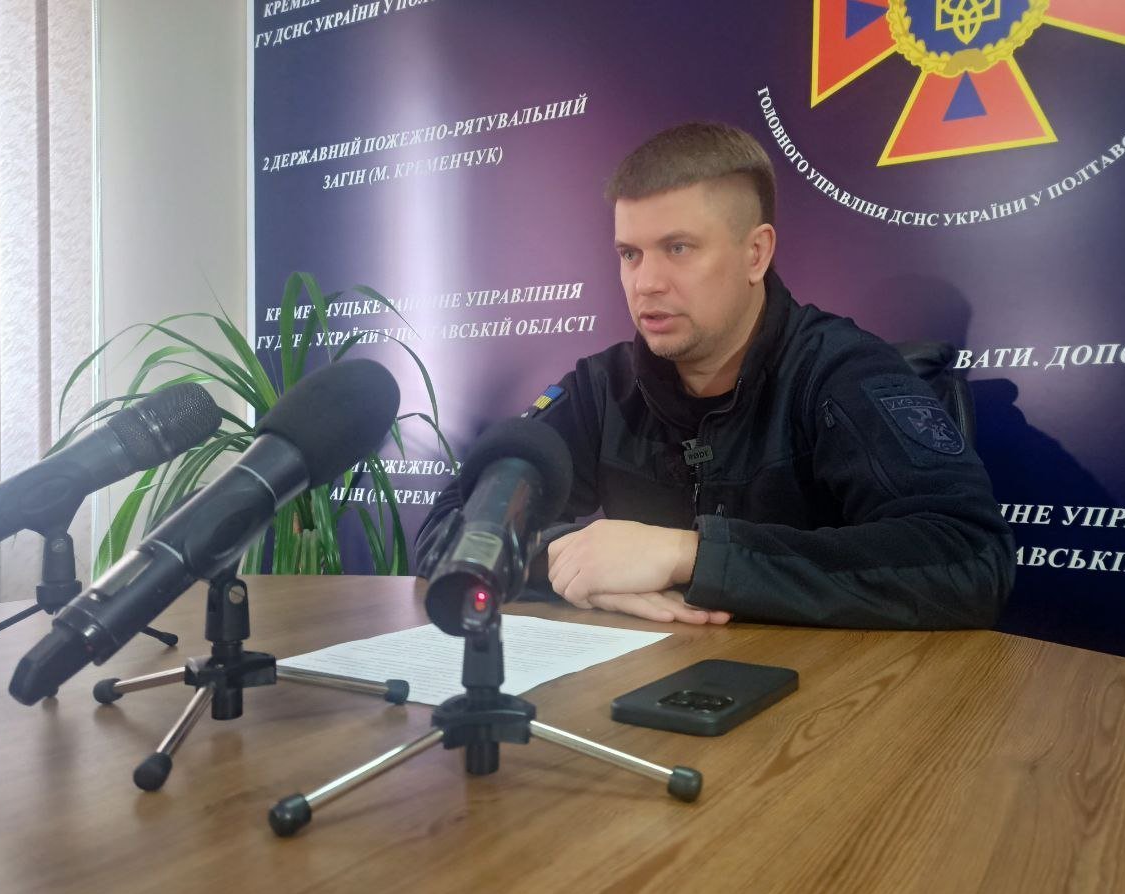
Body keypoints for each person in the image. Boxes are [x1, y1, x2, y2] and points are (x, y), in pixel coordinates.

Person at [416, 121, 1014, 628]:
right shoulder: (603, 387)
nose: (646, 282)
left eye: (678, 248)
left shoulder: (839, 371)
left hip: (828, 705)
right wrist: (566, 563)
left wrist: (691, 555)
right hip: (653, 692)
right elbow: (447, 531)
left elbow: (970, 559)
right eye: (630, 254)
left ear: (756, 254)